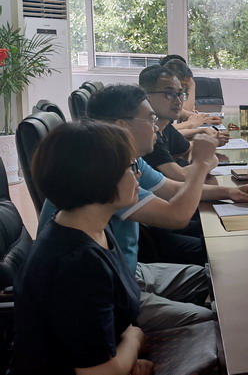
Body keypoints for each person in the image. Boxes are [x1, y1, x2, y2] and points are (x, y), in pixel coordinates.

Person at [39, 84, 248, 332]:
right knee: (210, 320)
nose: (157, 128)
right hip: (114, 284)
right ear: (121, 126)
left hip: (128, 269)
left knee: (219, 279)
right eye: (151, 120)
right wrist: (201, 164)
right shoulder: (103, 175)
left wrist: (228, 192)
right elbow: (176, 216)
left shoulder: (127, 161)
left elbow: (172, 188)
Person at [14, 121, 153, 375]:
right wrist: (134, 339)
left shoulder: (91, 225)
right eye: (131, 166)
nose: (138, 175)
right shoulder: (76, 263)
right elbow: (97, 372)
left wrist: (128, 343)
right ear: (97, 176)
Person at [140, 65, 227, 179]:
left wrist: (195, 162)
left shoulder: (165, 126)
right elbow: (182, 176)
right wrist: (203, 162)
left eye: (180, 94)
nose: (178, 101)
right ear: (146, 97)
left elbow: (190, 150)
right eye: (169, 94)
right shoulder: (147, 135)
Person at [162, 58, 223, 134]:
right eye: (182, 84)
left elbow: (184, 113)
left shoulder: (172, 97)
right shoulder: (158, 98)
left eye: (185, 85)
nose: (182, 89)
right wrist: (190, 123)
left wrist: (204, 119)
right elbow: (162, 129)